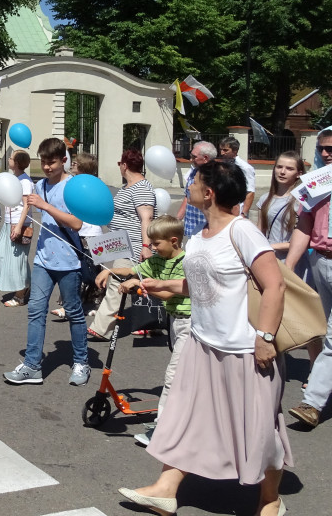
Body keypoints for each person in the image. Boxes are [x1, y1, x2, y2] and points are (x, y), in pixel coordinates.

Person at [117, 160, 290, 516]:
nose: (189, 184)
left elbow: (275, 284)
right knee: (185, 417)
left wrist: (265, 337)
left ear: (208, 193)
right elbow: (194, 285)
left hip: (244, 349)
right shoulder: (198, 238)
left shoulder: (242, 232)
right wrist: (154, 283)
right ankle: (166, 489)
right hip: (202, 344)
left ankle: (269, 498)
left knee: (259, 429)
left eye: (194, 181)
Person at [3, 137, 90, 387]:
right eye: (43, 162)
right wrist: (20, 226)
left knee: (74, 313)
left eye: (51, 162)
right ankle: (32, 366)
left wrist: (45, 206)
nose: (47, 167)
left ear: (64, 160)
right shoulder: (39, 186)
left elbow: (76, 223)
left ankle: (81, 361)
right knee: (35, 311)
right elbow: (29, 209)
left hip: (69, 262)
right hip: (43, 259)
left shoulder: (73, 187)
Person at [109, 216, 191, 447]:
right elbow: (134, 269)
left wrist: (139, 285)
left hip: (190, 323)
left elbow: (167, 294)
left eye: (156, 243)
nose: (152, 248)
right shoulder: (157, 260)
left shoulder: (185, 262)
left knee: (173, 377)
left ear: (173, 241)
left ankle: (162, 431)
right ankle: (185, 423)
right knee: (184, 377)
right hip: (174, 321)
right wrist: (110, 273)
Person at [284, 129, 332, 428]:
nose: (327, 154)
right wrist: (287, 269)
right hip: (320, 262)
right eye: (323, 149)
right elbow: (303, 226)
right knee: (320, 330)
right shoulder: (317, 182)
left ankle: (312, 404)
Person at [88, 149, 156, 341]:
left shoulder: (141, 187)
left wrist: (145, 245)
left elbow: (147, 218)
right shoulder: (128, 186)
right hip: (120, 243)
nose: (119, 166)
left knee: (117, 281)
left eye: (120, 163)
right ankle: (149, 322)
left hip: (134, 243)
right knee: (129, 282)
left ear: (125, 165)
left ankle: (101, 328)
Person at [52, 153, 102, 320]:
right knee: (79, 268)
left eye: (76, 162)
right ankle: (74, 304)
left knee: (88, 269)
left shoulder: (87, 185)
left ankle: (88, 304)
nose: (72, 163)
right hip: (80, 231)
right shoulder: (75, 183)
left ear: (84, 166)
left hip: (88, 232)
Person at [0, 150, 33, 307]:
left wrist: (18, 227)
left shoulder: (24, 181)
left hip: (20, 224)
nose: (8, 160)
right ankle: (26, 285)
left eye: (10, 158)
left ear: (17, 163)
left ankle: (20, 295)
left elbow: (26, 205)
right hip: (8, 223)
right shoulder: (14, 179)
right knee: (1, 256)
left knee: (17, 260)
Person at [176, 141, 216, 239]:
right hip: (191, 227)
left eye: (194, 157)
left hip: (207, 229)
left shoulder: (216, 175)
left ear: (205, 158)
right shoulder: (194, 172)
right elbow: (187, 196)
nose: (191, 159)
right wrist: (178, 219)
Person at [219, 135, 256, 217]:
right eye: (221, 150)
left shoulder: (245, 167)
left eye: (225, 150)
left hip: (237, 211)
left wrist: (243, 213)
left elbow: (250, 192)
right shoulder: (221, 165)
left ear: (235, 151)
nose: (222, 153)